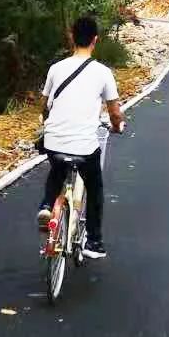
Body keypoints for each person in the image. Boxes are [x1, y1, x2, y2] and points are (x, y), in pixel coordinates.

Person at [37, 15, 124, 259]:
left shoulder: (56, 69)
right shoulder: (103, 73)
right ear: (95, 40)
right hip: (84, 147)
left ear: (71, 37)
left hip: (54, 141)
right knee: (95, 187)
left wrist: (47, 121)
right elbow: (115, 112)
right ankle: (94, 242)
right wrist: (118, 126)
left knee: (57, 170)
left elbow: (44, 105)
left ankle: (46, 206)